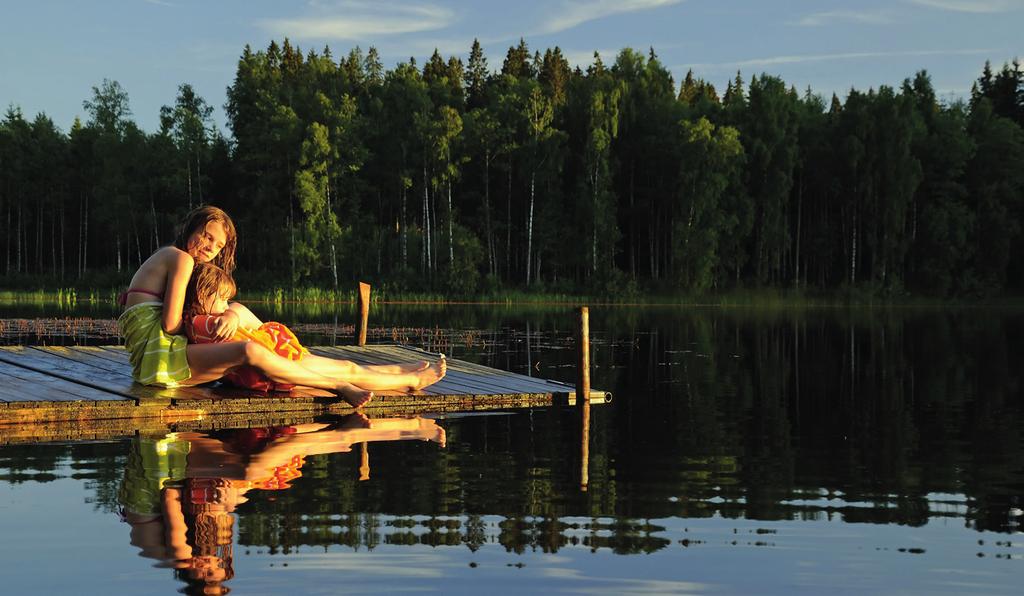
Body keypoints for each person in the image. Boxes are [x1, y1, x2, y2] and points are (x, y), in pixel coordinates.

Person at [117, 205, 445, 407]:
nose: (210, 247)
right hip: (160, 363)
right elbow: (171, 326)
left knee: (316, 362)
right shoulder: (180, 259)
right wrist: (216, 324)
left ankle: (401, 374)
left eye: (218, 244)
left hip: (162, 360)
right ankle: (345, 383)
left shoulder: (173, 259)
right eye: (205, 236)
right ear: (190, 229)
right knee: (264, 354)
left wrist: (229, 314)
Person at [183, 262, 433, 394]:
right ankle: (409, 380)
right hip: (279, 367)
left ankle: (399, 371)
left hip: (274, 370)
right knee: (347, 370)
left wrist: (231, 313)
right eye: (222, 298)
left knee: (349, 369)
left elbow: (234, 312)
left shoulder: (196, 325)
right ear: (204, 295)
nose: (227, 304)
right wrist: (231, 315)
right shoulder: (207, 323)